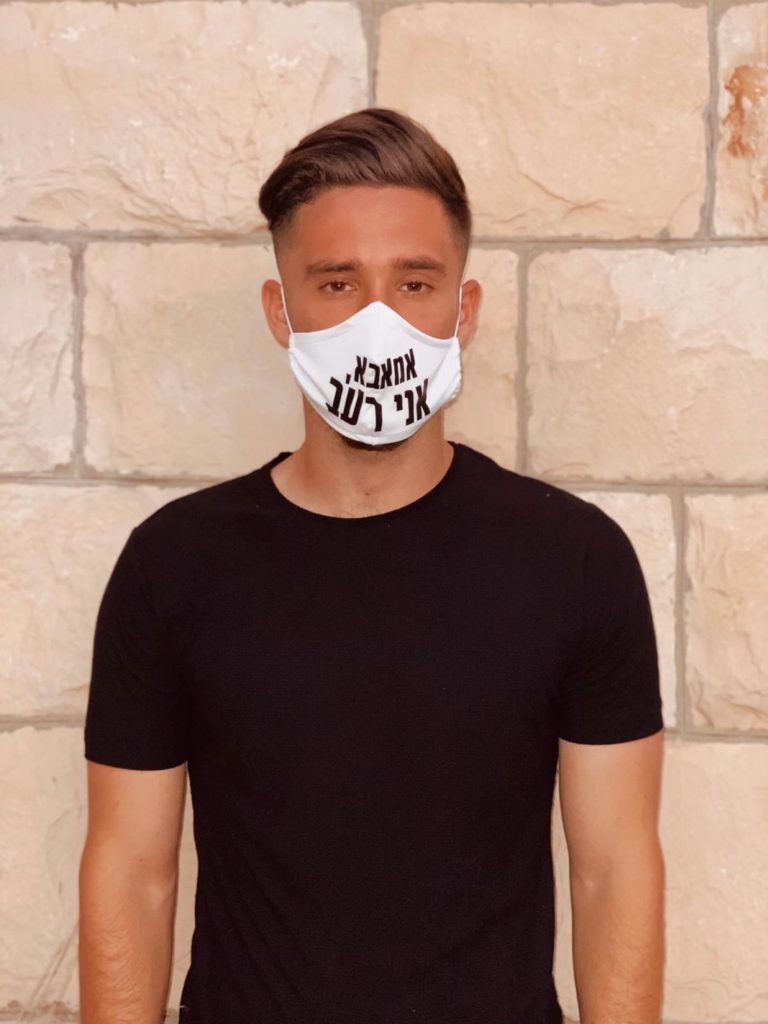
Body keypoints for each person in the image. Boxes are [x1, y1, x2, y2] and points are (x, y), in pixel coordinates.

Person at [79, 107, 666, 1024]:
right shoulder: (174, 565)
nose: (378, 319)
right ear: (281, 311)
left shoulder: (576, 560)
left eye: (415, 282)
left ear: (463, 311)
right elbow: (130, 873)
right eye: (338, 282)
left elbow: (614, 871)